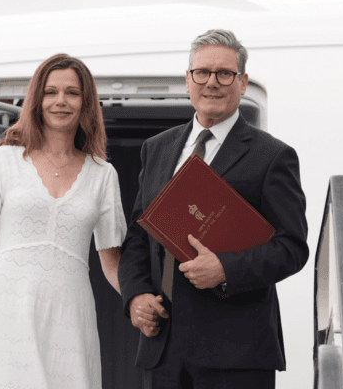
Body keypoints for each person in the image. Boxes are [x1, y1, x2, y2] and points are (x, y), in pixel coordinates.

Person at [118, 29, 308, 389]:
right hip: (163, 348)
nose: (212, 83)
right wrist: (135, 295)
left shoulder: (273, 156)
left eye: (225, 74)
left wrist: (225, 269)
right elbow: (139, 237)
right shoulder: (156, 149)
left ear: (243, 82)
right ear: (188, 81)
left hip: (236, 352)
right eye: (202, 73)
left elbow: (292, 248)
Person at [0, 53, 127, 388]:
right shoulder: (2, 160)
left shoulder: (104, 175)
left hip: (70, 312)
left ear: (86, 102)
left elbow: (111, 262)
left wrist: (140, 302)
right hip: (5, 307)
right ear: (37, 99)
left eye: (72, 93)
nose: (60, 101)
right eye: (51, 92)